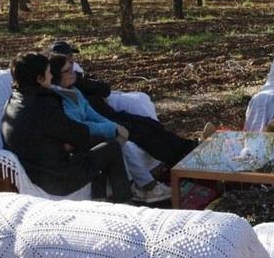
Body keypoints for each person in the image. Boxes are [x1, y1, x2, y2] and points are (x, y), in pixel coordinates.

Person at [1, 52, 132, 202]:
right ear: (39, 78)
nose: (51, 76)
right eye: (49, 72)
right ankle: (126, 205)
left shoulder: (13, 101)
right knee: (111, 148)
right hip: (55, 179)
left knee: (94, 148)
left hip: (35, 169)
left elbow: (68, 136)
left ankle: (99, 200)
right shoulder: (45, 106)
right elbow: (79, 135)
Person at [49, 41, 199, 167]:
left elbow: (104, 89)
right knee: (142, 132)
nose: (72, 63)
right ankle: (180, 164)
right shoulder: (64, 93)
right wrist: (112, 126)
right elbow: (83, 121)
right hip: (105, 124)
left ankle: (190, 147)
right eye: (68, 63)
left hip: (109, 115)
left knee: (150, 123)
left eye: (72, 59)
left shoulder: (75, 83)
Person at [48, 53, 173, 203]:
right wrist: (110, 129)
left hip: (88, 135)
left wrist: (114, 126)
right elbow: (78, 126)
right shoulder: (58, 98)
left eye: (72, 69)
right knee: (115, 143)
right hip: (75, 142)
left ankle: (143, 188)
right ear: (55, 75)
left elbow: (92, 114)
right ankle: (143, 189)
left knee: (123, 138)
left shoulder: (74, 91)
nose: (72, 73)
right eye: (67, 71)